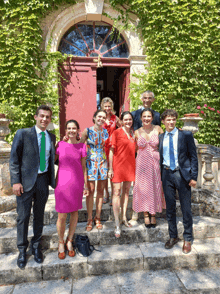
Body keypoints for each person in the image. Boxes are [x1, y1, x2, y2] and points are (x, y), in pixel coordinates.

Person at [9, 105, 56, 269]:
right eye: (42, 116)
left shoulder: (52, 137)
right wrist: (16, 181)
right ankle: (22, 250)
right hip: (24, 183)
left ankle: (36, 247)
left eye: (47, 117)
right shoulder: (23, 134)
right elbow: (14, 159)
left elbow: (53, 159)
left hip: (43, 181)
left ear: (50, 120)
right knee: (23, 217)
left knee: (39, 216)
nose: (44, 119)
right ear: (35, 117)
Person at [159, 109, 198, 254]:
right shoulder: (161, 137)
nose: (171, 122)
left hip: (182, 175)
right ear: (163, 122)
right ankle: (173, 236)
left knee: (186, 208)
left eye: (173, 119)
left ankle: (187, 238)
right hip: (166, 174)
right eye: (168, 120)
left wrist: (194, 177)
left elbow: (193, 157)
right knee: (169, 208)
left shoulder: (185, 135)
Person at [55, 120, 88, 259]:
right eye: (69, 128)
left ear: (78, 130)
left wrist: (85, 185)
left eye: (74, 128)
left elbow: (84, 168)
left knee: (75, 212)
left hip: (76, 183)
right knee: (62, 215)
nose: (71, 130)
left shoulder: (82, 146)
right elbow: (51, 161)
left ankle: (70, 240)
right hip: (62, 184)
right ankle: (60, 242)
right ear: (66, 130)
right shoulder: (60, 145)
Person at [133, 108, 166, 228]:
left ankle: (153, 214)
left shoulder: (158, 129)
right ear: (141, 118)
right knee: (143, 187)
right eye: (144, 116)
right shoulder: (136, 132)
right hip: (141, 163)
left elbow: (165, 143)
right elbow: (134, 149)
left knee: (154, 186)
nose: (146, 119)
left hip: (154, 162)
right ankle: (146, 214)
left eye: (149, 116)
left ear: (152, 118)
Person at [108, 111, 136, 238]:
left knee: (126, 192)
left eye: (130, 119)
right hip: (117, 167)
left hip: (130, 167)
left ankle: (124, 217)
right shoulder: (116, 133)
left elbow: (135, 150)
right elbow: (111, 151)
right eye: (126, 119)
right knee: (116, 193)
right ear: (122, 121)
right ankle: (117, 222)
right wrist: (110, 168)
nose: (128, 121)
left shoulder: (133, 134)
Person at [80, 110, 108, 231]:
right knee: (90, 191)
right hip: (90, 163)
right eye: (99, 116)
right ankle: (90, 219)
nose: (101, 119)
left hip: (102, 162)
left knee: (100, 191)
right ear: (94, 117)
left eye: (103, 117)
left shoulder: (106, 132)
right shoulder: (87, 130)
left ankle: (98, 217)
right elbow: (80, 146)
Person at [101, 97, 122, 205]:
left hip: (113, 147)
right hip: (103, 147)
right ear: (102, 106)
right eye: (105, 106)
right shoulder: (100, 117)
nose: (107, 108)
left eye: (109, 106)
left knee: (112, 171)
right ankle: (106, 194)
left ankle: (114, 194)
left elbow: (122, 127)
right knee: (104, 172)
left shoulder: (115, 118)